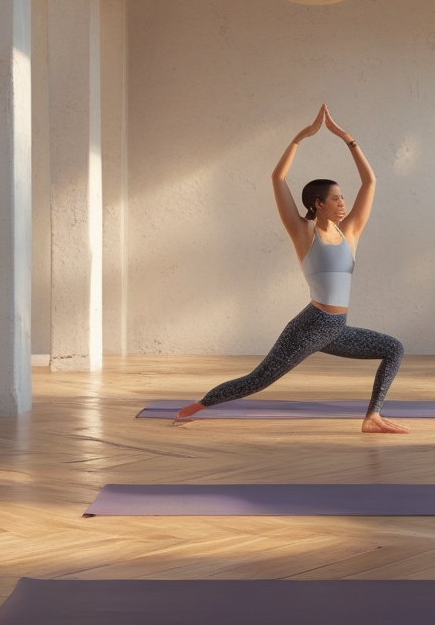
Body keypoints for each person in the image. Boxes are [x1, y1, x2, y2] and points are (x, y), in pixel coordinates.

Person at [174, 104, 409, 433]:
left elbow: (370, 182)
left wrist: (347, 138)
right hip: (310, 326)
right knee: (258, 380)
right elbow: (278, 178)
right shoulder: (303, 232)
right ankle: (191, 409)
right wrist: (300, 137)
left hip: (336, 327)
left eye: (343, 198)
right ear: (318, 203)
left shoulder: (351, 232)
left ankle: (373, 418)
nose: (344, 203)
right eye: (337, 198)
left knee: (393, 348)